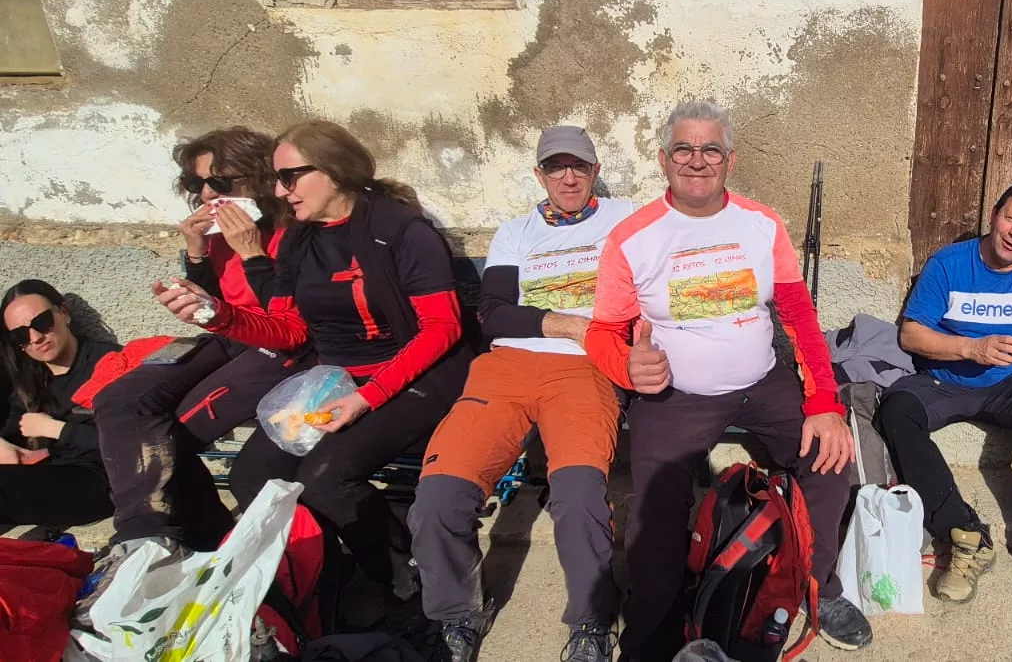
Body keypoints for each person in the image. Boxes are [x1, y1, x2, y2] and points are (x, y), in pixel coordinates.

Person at [585, 101, 872, 660]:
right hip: (675, 396)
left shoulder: (761, 225)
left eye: (710, 149)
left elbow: (798, 315)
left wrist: (823, 401)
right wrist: (626, 366)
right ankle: (653, 628)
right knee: (655, 507)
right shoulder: (631, 237)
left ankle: (818, 586)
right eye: (684, 150)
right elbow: (603, 330)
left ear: (730, 160)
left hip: (764, 382)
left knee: (832, 461)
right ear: (664, 160)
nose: (697, 161)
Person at [153, 120, 473, 601]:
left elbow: (442, 329)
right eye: (278, 179)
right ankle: (327, 570)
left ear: (335, 171)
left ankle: (409, 578)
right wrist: (217, 315)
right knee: (252, 476)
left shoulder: (398, 230)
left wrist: (367, 398)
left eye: (291, 177)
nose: (281, 192)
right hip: (335, 378)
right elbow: (289, 331)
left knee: (327, 478)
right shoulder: (301, 239)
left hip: (415, 372)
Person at [408, 126, 635, 662]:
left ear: (596, 171)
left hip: (584, 370)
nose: (569, 176)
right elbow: (493, 313)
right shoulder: (517, 231)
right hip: (506, 367)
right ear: (540, 175)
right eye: (556, 167)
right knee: (438, 497)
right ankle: (457, 614)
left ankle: (591, 621)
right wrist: (566, 323)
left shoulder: (626, 219)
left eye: (579, 166)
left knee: (578, 497)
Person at [877, 178, 1012, 621]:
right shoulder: (949, 263)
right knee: (896, 410)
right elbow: (911, 334)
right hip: (945, 380)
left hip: (1011, 382)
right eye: (1011, 218)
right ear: (993, 216)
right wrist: (970, 349)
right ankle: (963, 532)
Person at [93, 126, 306, 558]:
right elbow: (214, 301)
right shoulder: (219, 232)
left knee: (173, 434)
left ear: (257, 177)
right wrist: (195, 252)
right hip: (229, 336)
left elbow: (290, 320)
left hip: (278, 345)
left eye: (220, 183)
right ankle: (148, 532)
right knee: (120, 398)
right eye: (198, 184)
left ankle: (192, 537)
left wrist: (252, 253)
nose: (208, 194)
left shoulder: (292, 231)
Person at [1, 280, 119, 527]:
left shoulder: (110, 363)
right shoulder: (31, 379)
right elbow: (13, 431)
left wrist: (55, 429)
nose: (35, 338)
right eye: (21, 335)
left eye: (42, 323)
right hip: (50, 474)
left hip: (100, 480)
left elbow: (134, 438)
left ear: (64, 313)